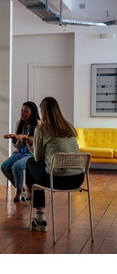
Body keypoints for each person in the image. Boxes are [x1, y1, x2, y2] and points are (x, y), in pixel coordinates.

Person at [26, 97, 85, 232]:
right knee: (40, 168)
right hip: (77, 179)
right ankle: (30, 195)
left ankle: (31, 198)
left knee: (30, 162)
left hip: (56, 179)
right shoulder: (69, 127)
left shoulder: (41, 128)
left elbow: (38, 157)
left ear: (44, 112)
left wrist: (34, 148)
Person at [1, 101, 40, 202]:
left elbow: (37, 146)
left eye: (26, 111)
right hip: (20, 153)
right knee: (4, 166)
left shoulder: (38, 126)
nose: (23, 113)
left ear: (33, 112)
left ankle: (19, 191)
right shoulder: (19, 123)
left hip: (31, 154)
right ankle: (21, 187)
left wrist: (26, 138)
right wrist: (14, 138)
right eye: (22, 111)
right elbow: (17, 145)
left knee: (17, 166)